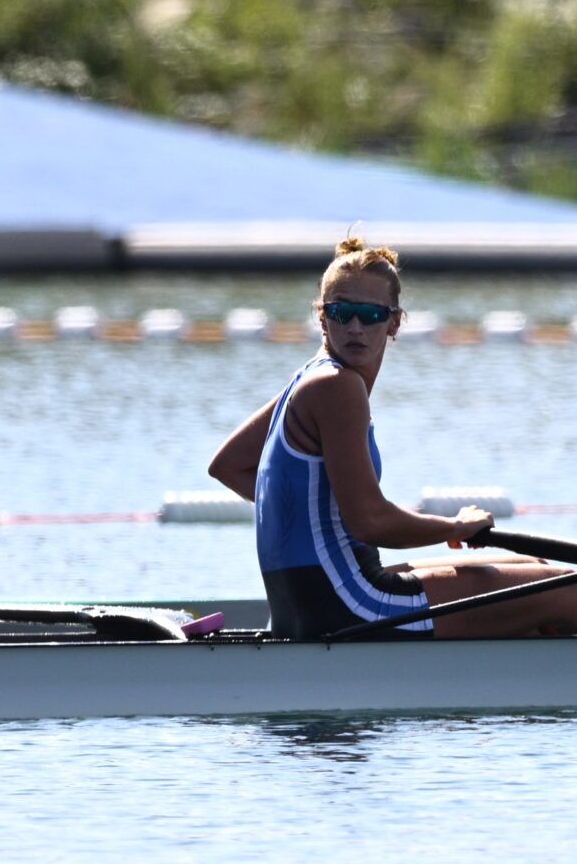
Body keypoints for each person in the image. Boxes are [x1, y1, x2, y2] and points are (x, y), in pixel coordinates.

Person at [208, 236, 577, 640]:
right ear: (321, 317)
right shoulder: (337, 387)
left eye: (369, 314)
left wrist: (320, 526)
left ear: (395, 321)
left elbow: (229, 466)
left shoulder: (310, 378)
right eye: (341, 312)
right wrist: (454, 527)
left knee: (536, 566)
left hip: (311, 604)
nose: (354, 327)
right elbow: (371, 522)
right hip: (351, 606)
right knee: (567, 590)